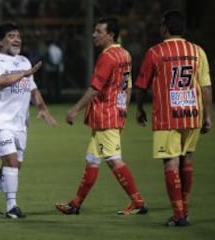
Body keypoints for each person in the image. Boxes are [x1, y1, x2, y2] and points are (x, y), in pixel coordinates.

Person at [55, 17, 147, 216]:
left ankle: (138, 202)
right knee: (92, 159)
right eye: (94, 31)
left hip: (106, 116)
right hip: (115, 113)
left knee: (114, 160)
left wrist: (75, 109)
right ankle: (75, 204)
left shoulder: (107, 57)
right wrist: (123, 109)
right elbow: (127, 86)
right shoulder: (124, 54)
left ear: (111, 35)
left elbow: (95, 88)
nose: (93, 35)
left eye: (98, 31)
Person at [135, 10, 212, 227]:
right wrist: (208, 117)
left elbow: (141, 85)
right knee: (187, 159)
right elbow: (205, 87)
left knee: (171, 162)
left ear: (165, 28)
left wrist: (139, 108)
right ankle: (184, 210)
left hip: (168, 116)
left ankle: (178, 215)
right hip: (192, 113)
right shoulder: (198, 52)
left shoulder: (156, 52)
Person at [0, 22, 57, 219]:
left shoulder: (24, 61)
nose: (17, 39)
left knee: (14, 166)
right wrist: (24, 73)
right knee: (11, 162)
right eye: (11, 36)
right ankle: (12, 207)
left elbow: (32, 87)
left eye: (18, 36)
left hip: (19, 122)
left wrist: (41, 107)